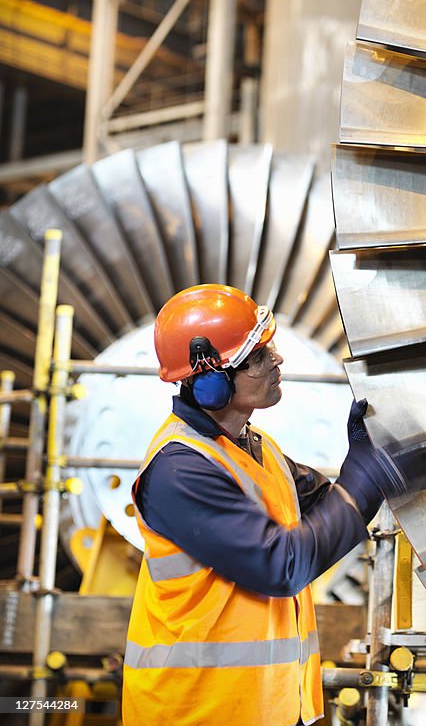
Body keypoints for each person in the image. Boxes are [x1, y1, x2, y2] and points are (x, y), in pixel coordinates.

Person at [122, 284, 403, 726]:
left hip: (269, 707)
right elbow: (282, 565)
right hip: (200, 711)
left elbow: (330, 508)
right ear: (210, 382)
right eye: (257, 356)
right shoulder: (181, 471)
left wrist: (376, 458)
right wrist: (364, 478)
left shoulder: (255, 447)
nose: (277, 360)